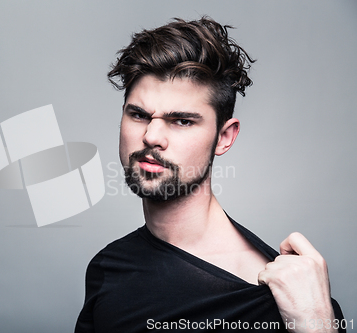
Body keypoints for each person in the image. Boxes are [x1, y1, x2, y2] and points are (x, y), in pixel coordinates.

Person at [75, 17, 345, 332]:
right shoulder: (108, 267)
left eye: (182, 121)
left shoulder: (287, 297)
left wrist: (316, 325)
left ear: (224, 137)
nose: (151, 136)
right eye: (138, 115)